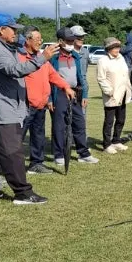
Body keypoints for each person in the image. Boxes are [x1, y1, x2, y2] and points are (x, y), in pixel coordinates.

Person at [0, 14, 58, 205]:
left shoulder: (4, 46)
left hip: (3, 107)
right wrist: (42, 58)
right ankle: (22, 193)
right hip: (2, 109)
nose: (16, 33)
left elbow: (21, 45)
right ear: (2, 30)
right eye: (13, 29)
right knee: (12, 152)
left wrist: (33, 44)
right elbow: (14, 70)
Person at [18, 26, 73, 173]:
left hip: (40, 105)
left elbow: (53, 75)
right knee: (16, 139)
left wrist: (66, 87)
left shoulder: (42, 58)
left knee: (39, 136)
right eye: (37, 39)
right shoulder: (20, 58)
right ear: (27, 40)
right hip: (25, 106)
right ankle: (7, 167)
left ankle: (36, 163)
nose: (40, 42)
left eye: (40, 39)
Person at [46, 28, 94, 166]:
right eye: (68, 41)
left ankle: (83, 153)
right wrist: (49, 99)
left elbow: (81, 77)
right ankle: (59, 155)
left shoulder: (75, 56)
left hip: (75, 92)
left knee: (79, 123)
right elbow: (47, 79)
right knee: (59, 125)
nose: (71, 43)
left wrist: (84, 94)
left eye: (73, 40)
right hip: (59, 93)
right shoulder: (53, 58)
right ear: (60, 41)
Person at [97, 37, 131, 154]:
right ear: (108, 49)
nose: (117, 50)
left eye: (118, 47)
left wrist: (128, 89)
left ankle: (116, 140)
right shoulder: (103, 61)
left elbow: (125, 74)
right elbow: (101, 78)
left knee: (121, 119)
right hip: (111, 95)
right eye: (114, 48)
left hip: (123, 93)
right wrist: (109, 91)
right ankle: (107, 144)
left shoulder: (121, 58)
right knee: (109, 121)